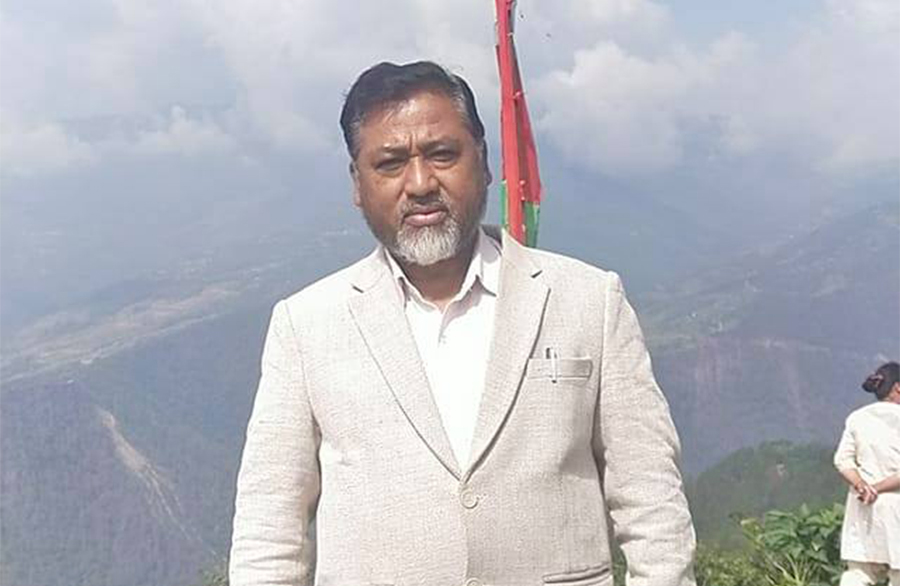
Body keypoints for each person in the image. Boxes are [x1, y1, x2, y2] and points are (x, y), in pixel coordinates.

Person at [229, 60, 696, 586]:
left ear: (484, 162)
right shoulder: (306, 325)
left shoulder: (589, 300)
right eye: (390, 163)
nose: (420, 183)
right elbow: (270, 527)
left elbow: (651, 500)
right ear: (358, 184)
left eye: (442, 154)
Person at [834, 361, 900, 586]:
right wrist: (878, 488)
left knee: (859, 573)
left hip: (862, 506)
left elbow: (842, 460)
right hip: (895, 505)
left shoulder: (858, 418)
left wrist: (862, 486)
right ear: (898, 388)